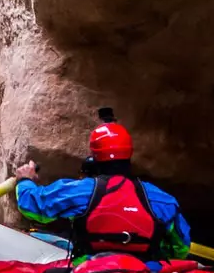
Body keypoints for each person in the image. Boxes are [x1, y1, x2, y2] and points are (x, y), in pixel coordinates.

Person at [12, 108, 191, 264]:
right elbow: (181, 246)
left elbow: (34, 206)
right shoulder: (161, 199)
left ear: (95, 157)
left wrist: (25, 180)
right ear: (129, 154)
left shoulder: (82, 191)